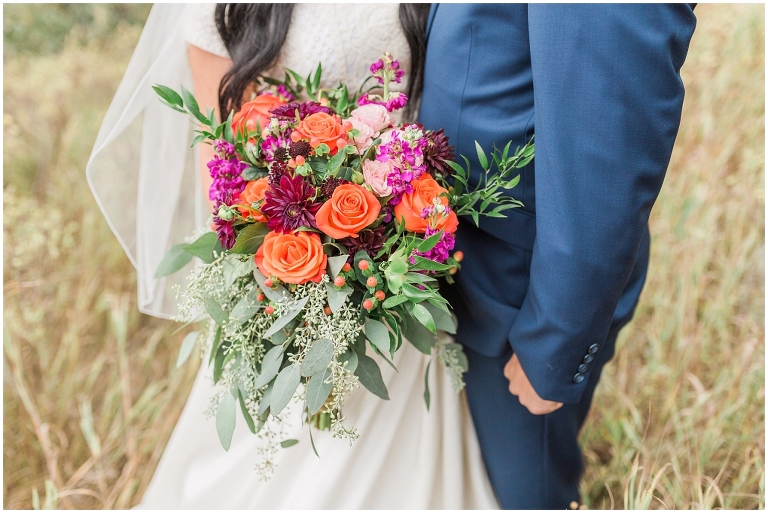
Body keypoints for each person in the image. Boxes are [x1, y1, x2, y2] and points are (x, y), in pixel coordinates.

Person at [87, 4, 498, 509]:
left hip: (396, 278)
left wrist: (391, 235)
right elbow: (223, 173)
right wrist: (304, 272)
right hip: (290, 290)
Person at [418, 4, 697, 509]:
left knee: (526, 496)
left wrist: (556, 344)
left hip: (520, 293)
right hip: (462, 262)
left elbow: (608, 129)